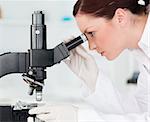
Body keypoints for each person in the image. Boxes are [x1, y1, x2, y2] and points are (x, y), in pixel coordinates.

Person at [29, 0, 150, 121]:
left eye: (92, 33)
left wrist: (80, 117)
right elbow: (140, 110)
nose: (91, 47)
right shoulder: (143, 54)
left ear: (120, 18)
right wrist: (92, 79)